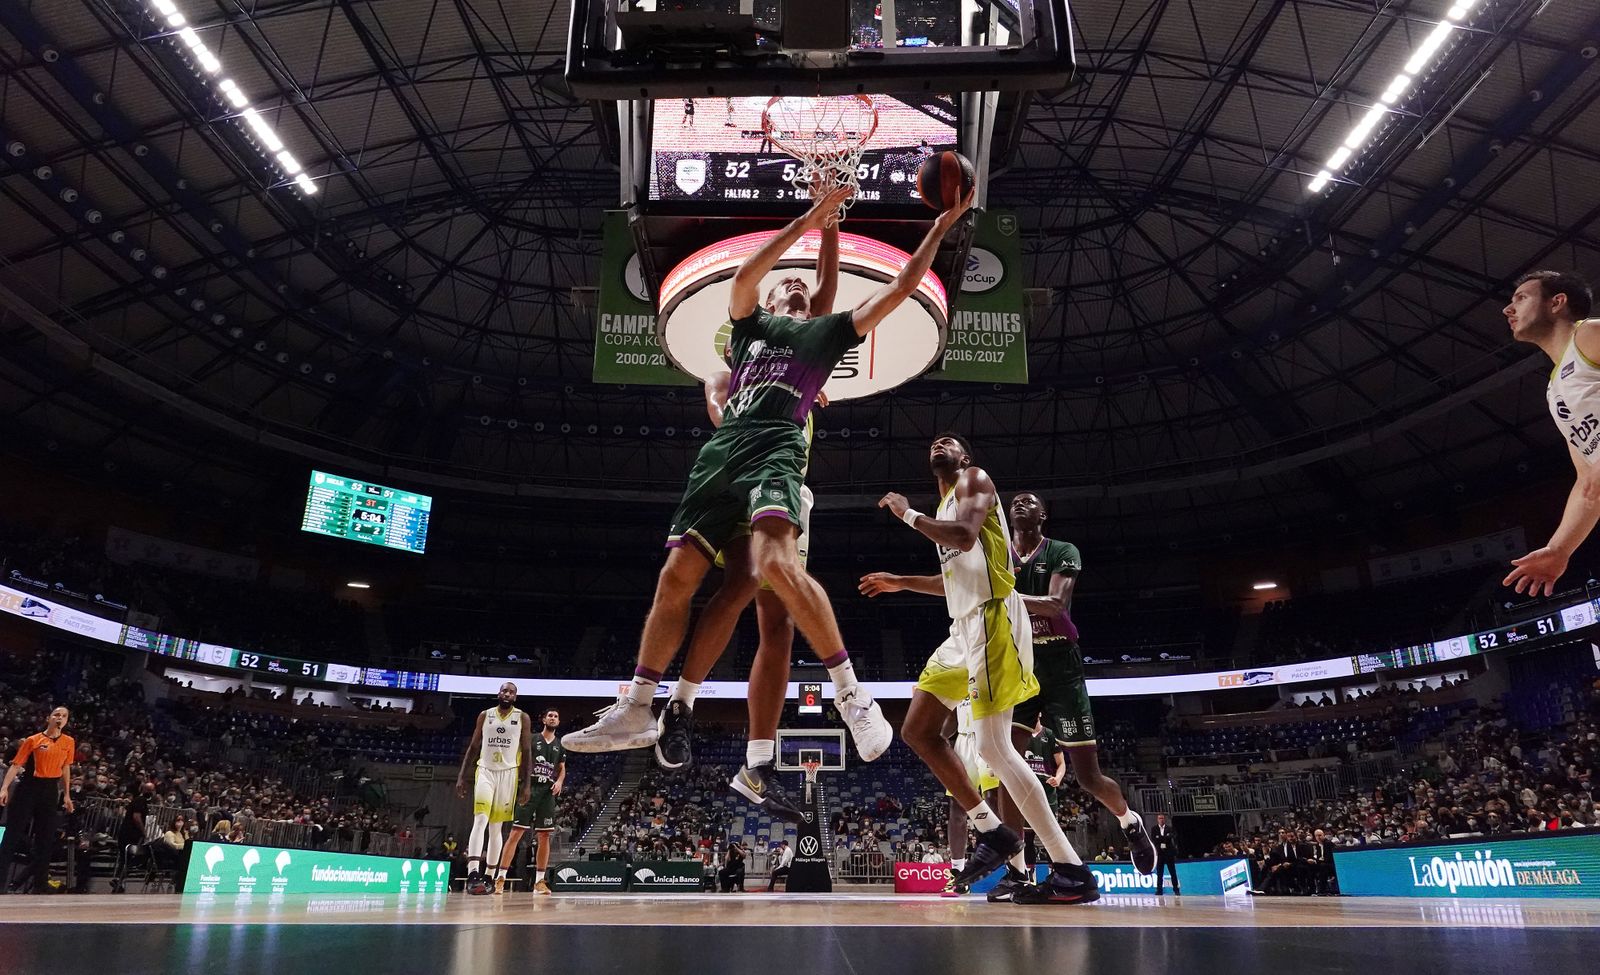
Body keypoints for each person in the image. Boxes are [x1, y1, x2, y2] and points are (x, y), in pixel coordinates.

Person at [565, 181, 973, 762]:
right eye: (790, 281)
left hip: (778, 448)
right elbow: (744, 279)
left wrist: (941, 225)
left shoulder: (825, 332)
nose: (797, 283)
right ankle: (638, 704)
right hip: (723, 452)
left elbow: (903, 285)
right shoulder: (749, 329)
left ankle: (851, 697)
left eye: (804, 284)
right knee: (676, 575)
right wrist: (812, 215)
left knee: (773, 573)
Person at [861, 433, 1099, 905]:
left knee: (994, 747)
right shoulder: (946, 503)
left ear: (964, 457)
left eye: (947, 441)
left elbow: (964, 537)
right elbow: (955, 580)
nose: (937, 444)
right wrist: (900, 582)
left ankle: (1070, 868)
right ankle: (995, 832)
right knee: (919, 729)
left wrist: (907, 513)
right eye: (931, 442)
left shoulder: (975, 480)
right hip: (962, 627)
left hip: (995, 619)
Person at [1006, 491, 1156, 875]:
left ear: (1044, 514)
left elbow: (1055, 605)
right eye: (1015, 501)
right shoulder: (999, 553)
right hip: (1020, 665)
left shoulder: (1061, 550)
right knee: (1004, 765)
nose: (1019, 504)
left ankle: (1128, 822)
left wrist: (1000, 597)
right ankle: (1019, 869)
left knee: (1088, 777)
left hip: (1061, 666)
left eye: (1029, 501)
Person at [1501, 270, 1599, 596]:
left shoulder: (1588, 335)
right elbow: (1587, 484)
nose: (1507, 309)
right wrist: (1560, 548)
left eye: (1521, 298)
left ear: (1557, 302)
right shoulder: (1554, 393)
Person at [455, 682, 531, 895]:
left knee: (496, 827)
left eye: (511, 692)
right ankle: (473, 873)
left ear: (515, 697)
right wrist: (462, 776)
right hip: (485, 771)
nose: (507, 694)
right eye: (504, 690)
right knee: (480, 819)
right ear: (498, 693)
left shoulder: (522, 717)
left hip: (509, 773)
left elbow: (526, 751)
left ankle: (489, 876)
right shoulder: (485, 715)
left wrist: (527, 784)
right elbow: (473, 747)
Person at [0, 706, 76, 894]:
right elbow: (16, 765)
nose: (60, 718)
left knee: (46, 838)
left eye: (64, 716)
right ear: (49, 718)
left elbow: (66, 768)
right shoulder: (33, 740)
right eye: (57, 714)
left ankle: (40, 884)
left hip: (50, 790)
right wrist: (4, 788)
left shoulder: (69, 741)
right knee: (11, 835)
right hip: (29, 787)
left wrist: (66, 795)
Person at [492, 707, 565, 895]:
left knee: (544, 835)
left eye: (556, 716)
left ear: (558, 721)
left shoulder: (560, 744)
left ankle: (540, 881)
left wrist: (559, 781)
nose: (553, 718)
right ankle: (500, 877)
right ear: (543, 719)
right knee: (516, 833)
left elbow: (562, 767)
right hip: (529, 787)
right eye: (550, 715)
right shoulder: (532, 739)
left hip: (547, 792)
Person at [941, 698, 1001, 896]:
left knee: (993, 799)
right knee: (957, 806)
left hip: (989, 737)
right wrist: (938, 737)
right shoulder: (958, 673)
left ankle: (1014, 869)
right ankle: (958, 872)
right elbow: (952, 716)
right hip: (963, 740)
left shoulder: (989, 669)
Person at [1153, 813, 1180, 895]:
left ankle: (1176, 890)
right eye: (1159, 818)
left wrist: (1161, 838)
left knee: (1173, 872)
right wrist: (1165, 838)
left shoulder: (1169, 828)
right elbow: (1154, 839)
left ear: (1164, 819)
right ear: (1157, 819)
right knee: (1159, 873)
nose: (1161, 820)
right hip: (1160, 854)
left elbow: (1172, 836)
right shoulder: (1154, 829)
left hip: (1169, 853)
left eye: (1162, 818)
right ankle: (1159, 890)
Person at [1305, 827, 1338, 896]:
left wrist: (1317, 861)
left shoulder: (1329, 844)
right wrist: (1314, 861)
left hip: (1331, 864)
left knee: (1323, 866)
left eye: (1320, 835)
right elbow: (1319, 857)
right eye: (1316, 836)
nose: (1318, 837)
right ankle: (1312, 889)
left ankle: (1322, 889)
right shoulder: (1317, 845)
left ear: (1323, 835)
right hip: (1321, 863)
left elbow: (1329, 858)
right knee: (1309, 867)